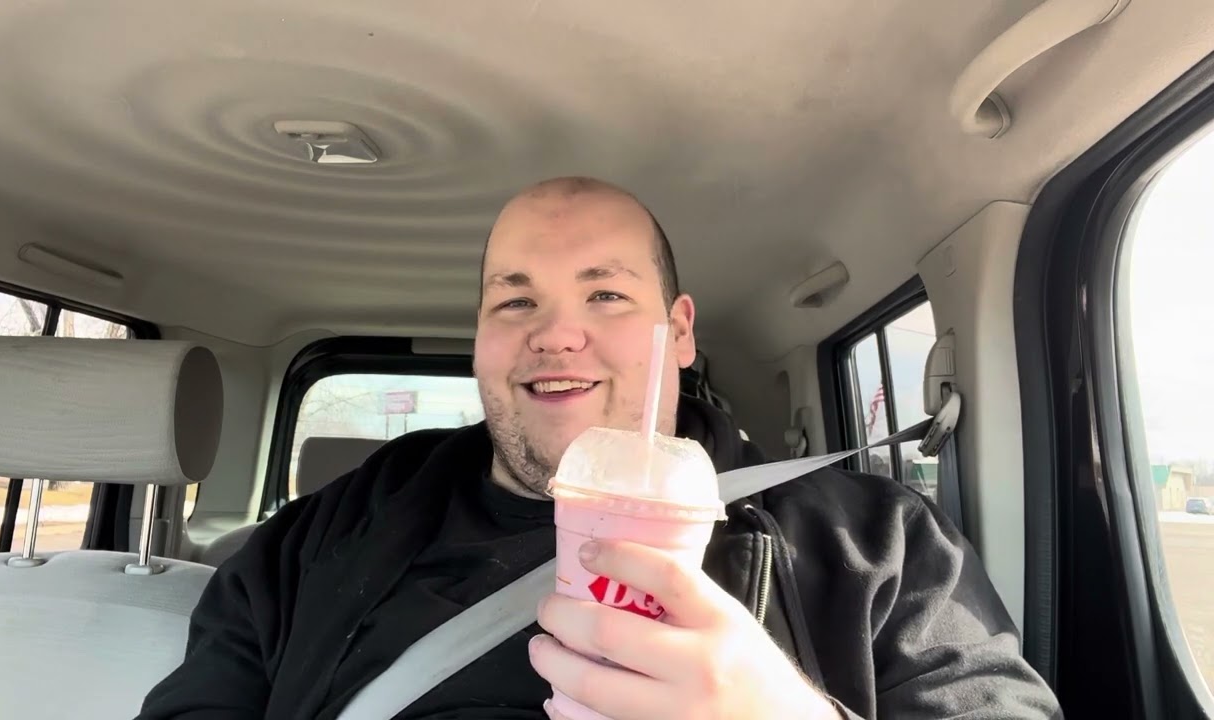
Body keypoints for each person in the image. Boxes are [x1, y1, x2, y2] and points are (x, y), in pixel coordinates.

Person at [138, 177, 1061, 719]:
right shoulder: (322, 535)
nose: (555, 334)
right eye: (515, 300)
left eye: (606, 295)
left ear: (679, 330)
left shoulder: (879, 547)